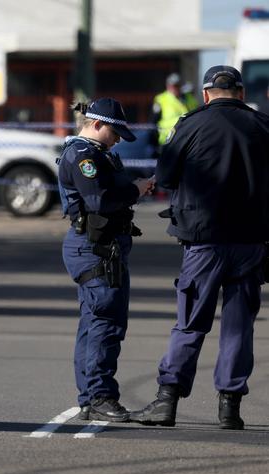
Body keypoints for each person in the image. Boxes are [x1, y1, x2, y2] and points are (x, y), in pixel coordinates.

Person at [130, 65, 269, 430]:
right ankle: (230, 408)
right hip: (251, 241)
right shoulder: (263, 126)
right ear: (240, 93)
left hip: (204, 241)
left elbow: (167, 175)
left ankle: (167, 402)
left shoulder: (190, 125)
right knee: (239, 326)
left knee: (190, 323)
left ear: (206, 94)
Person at [57, 98, 154, 422]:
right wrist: (136, 191)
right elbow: (98, 199)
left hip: (99, 246)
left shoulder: (96, 154)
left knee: (95, 323)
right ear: (96, 124)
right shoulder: (84, 155)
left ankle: (90, 397)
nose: (117, 140)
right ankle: (99, 396)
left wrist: (138, 184)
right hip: (94, 247)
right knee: (105, 324)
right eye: (114, 132)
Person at [152, 73, 192, 146]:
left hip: (186, 139)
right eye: (174, 86)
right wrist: (155, 143)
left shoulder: (189, 98)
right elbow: (153, 122)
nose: (176, 88)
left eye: (178, 85)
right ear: (168, 86)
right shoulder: (161, 99)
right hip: (167, 140)